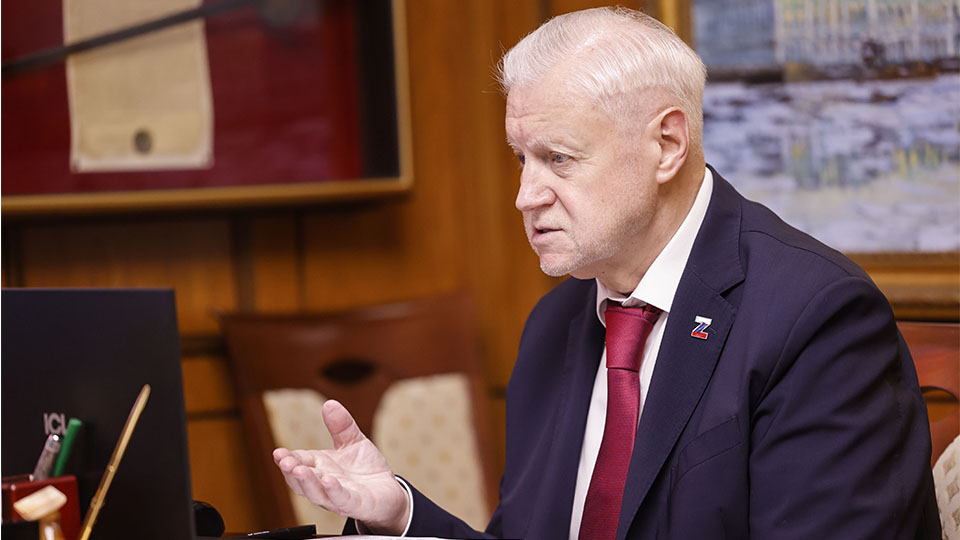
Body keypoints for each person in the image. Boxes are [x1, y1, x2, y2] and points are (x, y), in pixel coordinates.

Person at [273, 7, 941, 539]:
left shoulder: (816, 318)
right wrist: (401, 515)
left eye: (559, 159)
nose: (525, 196)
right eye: (521, 159)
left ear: (667, 144)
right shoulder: (555, 323)